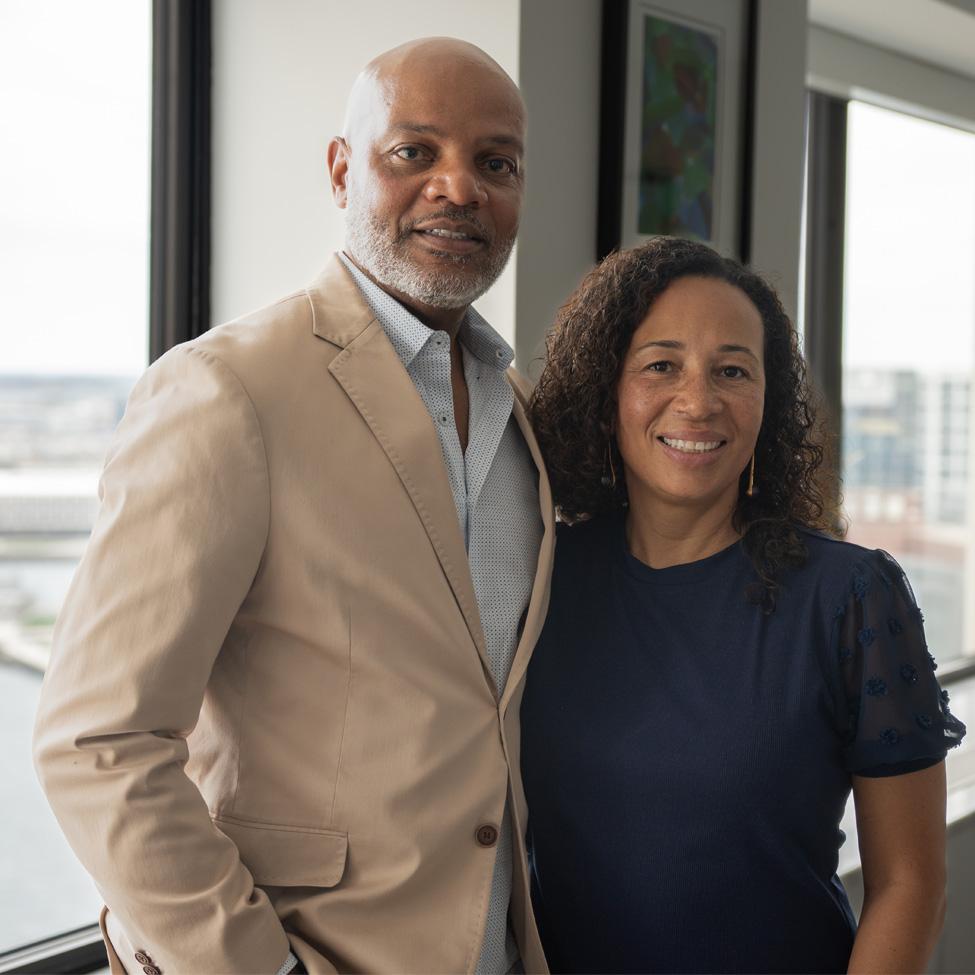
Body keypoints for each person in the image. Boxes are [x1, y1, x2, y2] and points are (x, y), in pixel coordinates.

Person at [33, 37, 554, 975]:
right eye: (414, 152)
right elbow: (96, 738)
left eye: (494, 162)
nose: (457, 187)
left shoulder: (521, 417)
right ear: (342, 169)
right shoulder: (224, 390)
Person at [521, 236, 966, 974]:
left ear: (768, 402)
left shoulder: (852, 596)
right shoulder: (540, 579)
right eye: (661, 365)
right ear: (606, 393)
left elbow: (908, 882)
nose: (697, 401)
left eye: (732, 370)